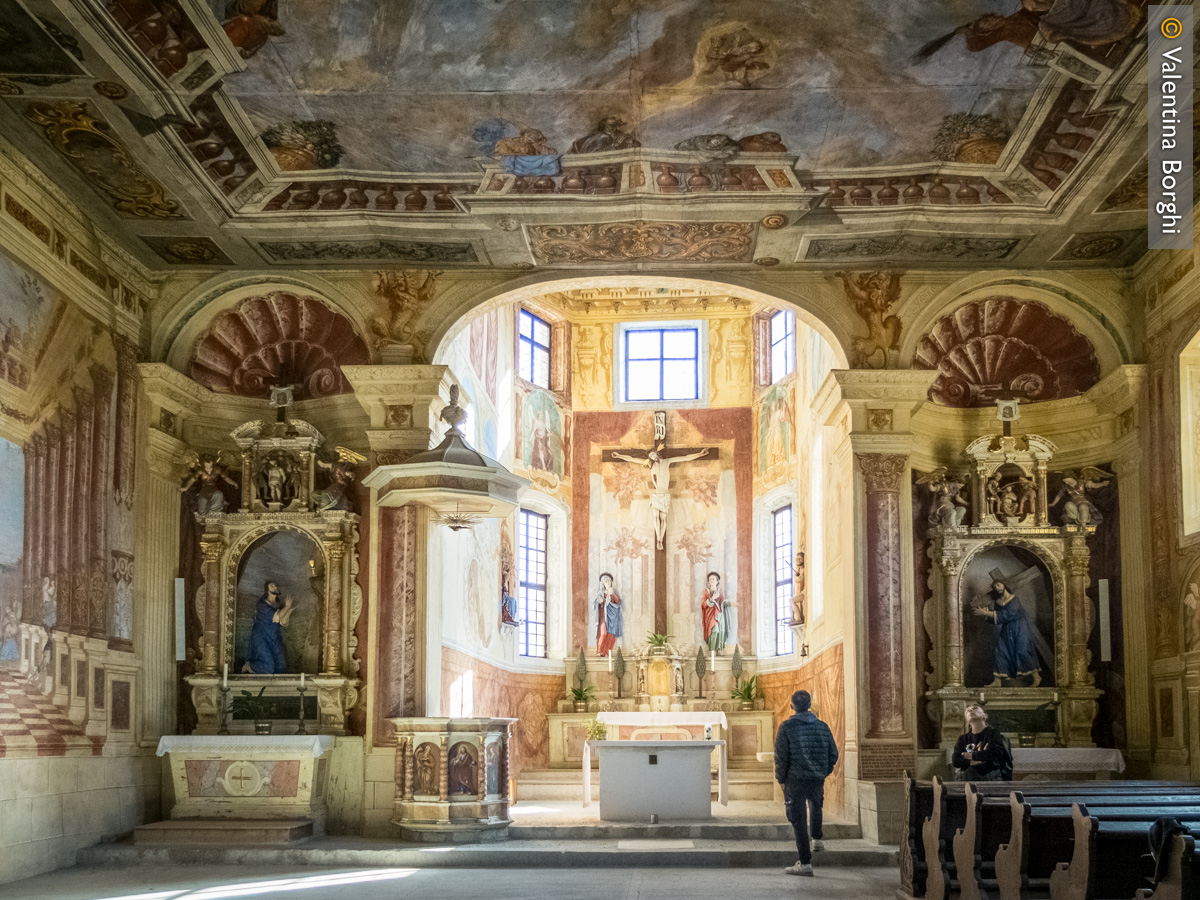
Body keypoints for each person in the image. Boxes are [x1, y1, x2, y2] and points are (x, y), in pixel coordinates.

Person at [774, 690, 839, 877]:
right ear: (809, 705)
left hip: (795, 779)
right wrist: (822, 772)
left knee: (798, 820)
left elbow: (781, 757)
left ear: (792, 706)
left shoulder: (786, 727)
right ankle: (817, 840)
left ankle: (804, 863)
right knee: (817, 804)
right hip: (816, 777)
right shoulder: (822, 726)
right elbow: (833, 754)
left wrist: (781, 779)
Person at [972, 578, 1040, 686]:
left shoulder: (1014, 599)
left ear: (1004, 585)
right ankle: (997, 681)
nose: (997, 588)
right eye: (995, 587)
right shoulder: (998, 602)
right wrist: (984, 613)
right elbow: (998, 619)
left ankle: (1036, 677)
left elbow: (1009, 614)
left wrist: (987, 612)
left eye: (998, 585)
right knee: (1000, 651)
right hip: (1006, 629)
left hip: (1020, 627)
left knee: (1023, 650)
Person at [952, 704, 1013, 781]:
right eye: (968, 710)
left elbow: (992, 754)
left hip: (990, 776)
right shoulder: (963, 738)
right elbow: (955, 761)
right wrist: (978, 760)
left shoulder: (993, 734)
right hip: (967, 776)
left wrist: (968, 755)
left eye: (974, 708)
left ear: (984, 715)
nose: (970, 710)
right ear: (966, 719)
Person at [243, 581, 293, 674]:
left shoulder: (277, 605)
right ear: (267, 589)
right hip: (261, 638)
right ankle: (249, 665)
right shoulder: (262, 604)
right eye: (272, 585)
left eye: (276, 585)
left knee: (281, 667)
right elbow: (275, 619)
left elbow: (282, 623)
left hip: (274, 637)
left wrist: (289, 610)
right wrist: (286, 607)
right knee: (267, 667)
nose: (275, 587)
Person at [594, 573, 622, 656]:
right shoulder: (601, 592)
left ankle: (607, 651)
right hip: (604, 616)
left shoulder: (614, 591)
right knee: (603, 633)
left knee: (611, 634)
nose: (608, 583)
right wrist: (600, 601)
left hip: (613, 616)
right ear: (603, 583)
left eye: (609, 581)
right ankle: (600, 651)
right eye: (606, 581)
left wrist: (612, 594)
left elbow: (618, 602)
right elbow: (597, 602)